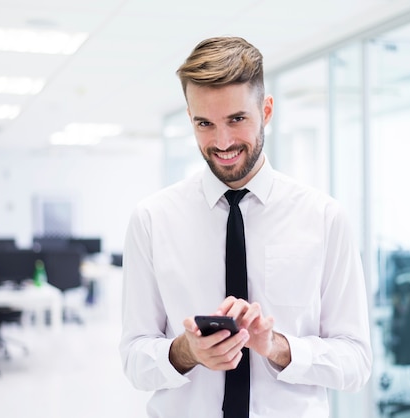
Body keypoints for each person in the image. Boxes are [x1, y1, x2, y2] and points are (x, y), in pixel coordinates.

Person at [119, 36, 372, 418]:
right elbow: (135, 357)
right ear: (190, 118)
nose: (222, 142)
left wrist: (277, 346)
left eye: (237, 119)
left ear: (266, 110)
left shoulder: (323, 218)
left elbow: (356, 362)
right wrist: (186, 351)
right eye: (205, 123)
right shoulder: (152, 219)